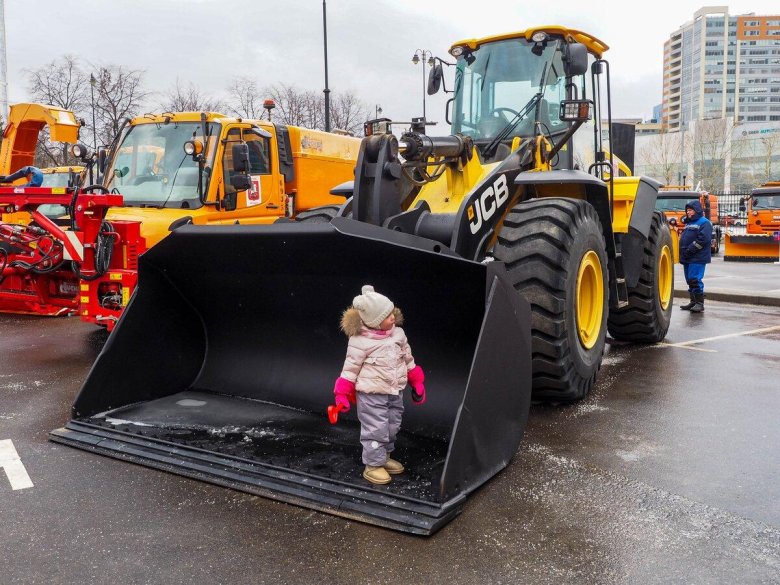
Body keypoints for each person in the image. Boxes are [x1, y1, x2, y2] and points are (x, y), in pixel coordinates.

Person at [332, 285, 426, 485]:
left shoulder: (398, 334)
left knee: (392, 425)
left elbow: (408, 359)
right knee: (376, 428)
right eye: (386, 316)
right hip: (371, 394)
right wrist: (342, 394)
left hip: (394, 391)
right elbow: (350, 369)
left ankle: (383, 458)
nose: (392, 317)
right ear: (373, 321)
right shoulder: (360, 341)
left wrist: (416, 381)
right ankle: (373, 465)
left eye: (392, 312)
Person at [678, 199, 712, 313]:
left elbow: (703, 240)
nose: (688, 212)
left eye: (690, 210)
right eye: (687, 210)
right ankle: (693, 302)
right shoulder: (689, 223)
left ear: (696, 210)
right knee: (689, 280)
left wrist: (690, 250)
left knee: (694, 279)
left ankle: (699, 303)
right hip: (688, 257)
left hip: (697, 257)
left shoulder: (704, 223)